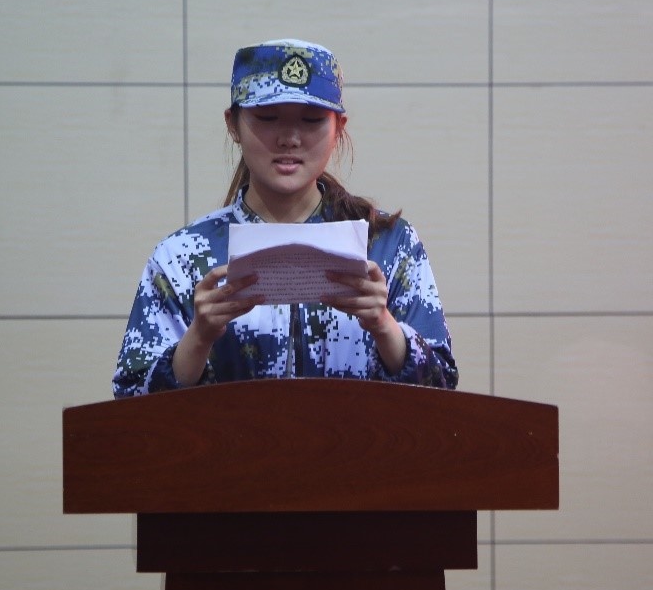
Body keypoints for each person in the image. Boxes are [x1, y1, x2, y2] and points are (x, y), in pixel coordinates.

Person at [113, 38, 457, 397]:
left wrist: (385, 326)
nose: (290, 138)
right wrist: (198, 338)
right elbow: (132, 402)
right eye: (267, 118)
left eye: (311, 120)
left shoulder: (388, 245)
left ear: (339, 127)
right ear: (233, 124)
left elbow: (442, 389)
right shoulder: (182, 257)